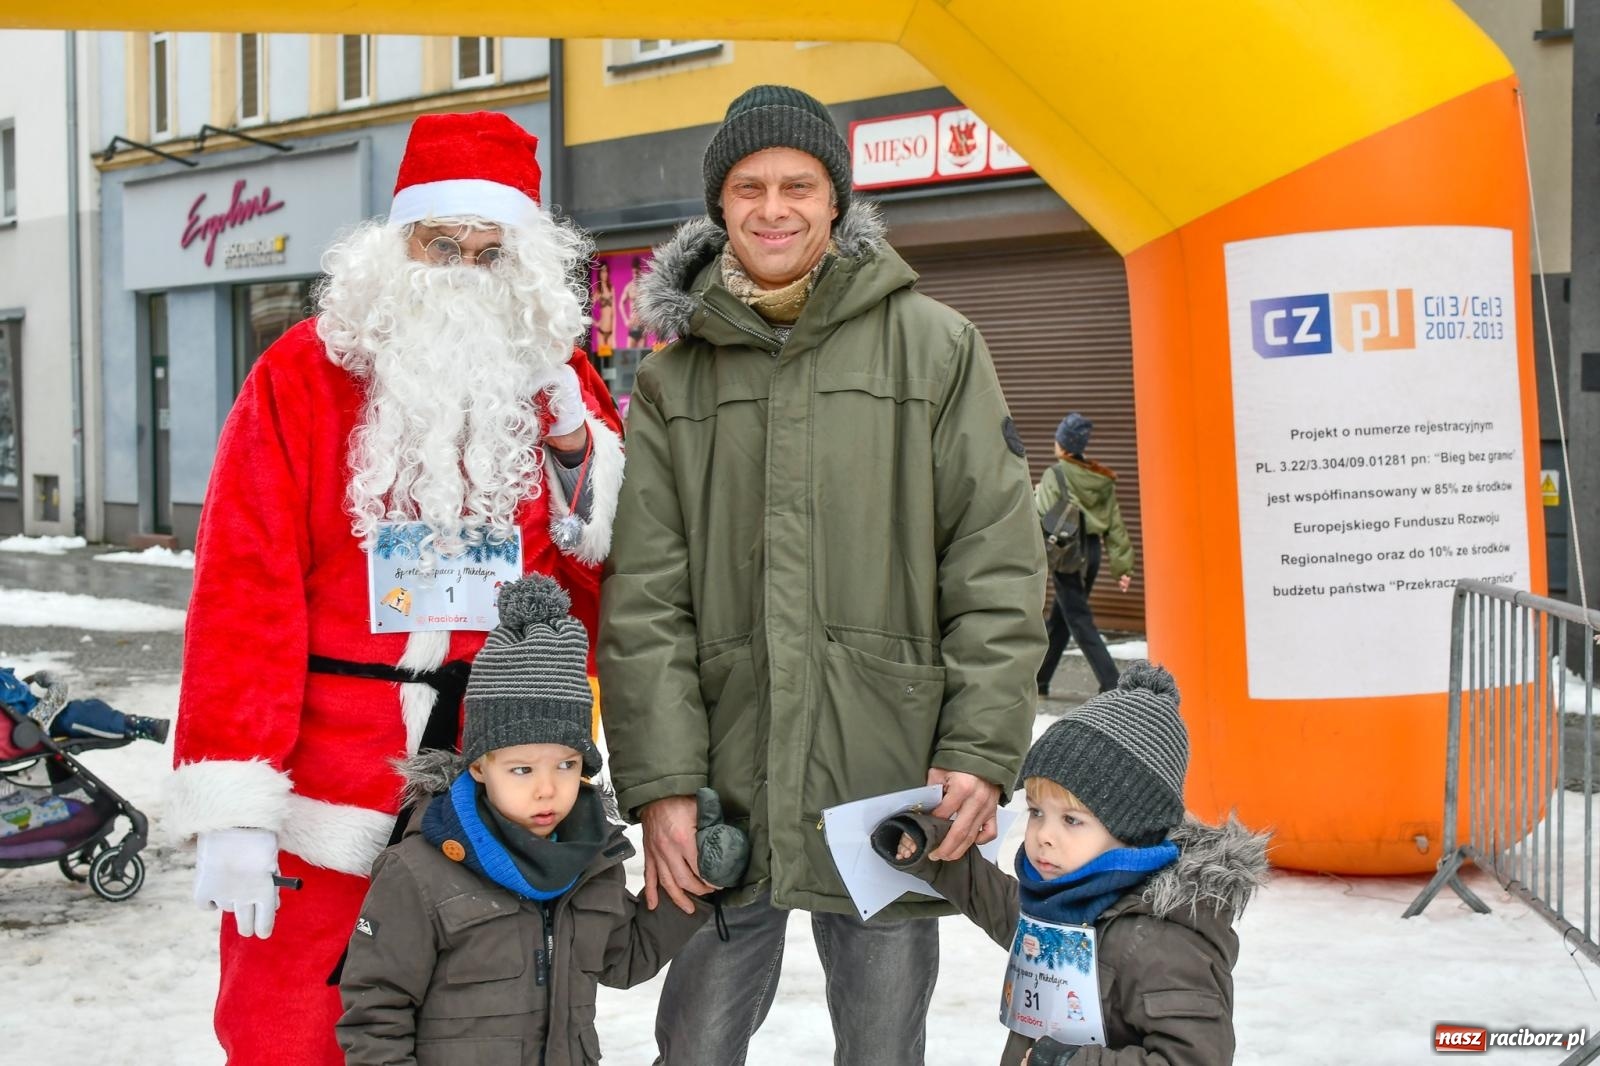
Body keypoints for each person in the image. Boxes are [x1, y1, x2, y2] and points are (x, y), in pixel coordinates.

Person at [600, 84, 1048, 1065]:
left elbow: (995, 563)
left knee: (885, 1045)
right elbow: (644, 603)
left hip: (887, 784)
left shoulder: (935, 347)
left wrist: (978, 746)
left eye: (798, 185)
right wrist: (666, 784)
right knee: (696, 1043)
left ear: (835, 200)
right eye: (748, 186)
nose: (773, 207)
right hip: (730, 787)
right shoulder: (674, 380)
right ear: (718, 205)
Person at [165, 111, 625, 1066]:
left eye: (488, 252)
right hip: (326, 785)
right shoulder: (301, 374)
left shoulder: (561, 386)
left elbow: (607, 584)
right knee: (292, 1028)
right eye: (440, 243)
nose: (462, 269)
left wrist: (578, 451)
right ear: (396, 243)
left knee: (483, 1032)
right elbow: (242, 590)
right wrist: (238, 804)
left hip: (497, 784)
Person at [337, 575, 748, 1066]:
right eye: (522, 769)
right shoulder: (419, 873)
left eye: (567, 765)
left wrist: (699, 883)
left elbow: (624, 957)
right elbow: (376, 1013)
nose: (547, 788)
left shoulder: (591, 861)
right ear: (478, 766)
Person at [874, 662, 1268, 1065]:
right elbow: (987, 895)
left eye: (1072, 820)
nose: (1044, 834)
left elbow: (1193, 1059)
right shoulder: (1060, 904)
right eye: (1037, 812)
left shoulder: (1165, 943)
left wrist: (1065, 1062)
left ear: (1132, 830)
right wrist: (926, 841)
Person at [1034, 412, 1135, 697]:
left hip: (1067, 553)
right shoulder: (1099, 478)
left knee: (1078, 619)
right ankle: (1040, 680)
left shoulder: (1055, 474)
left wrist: (1037, 493)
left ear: (1063, 444)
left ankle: (1112, 681)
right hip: (1091, 553)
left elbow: (1044, 513)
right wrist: (1123, 567)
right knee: (1062, 617)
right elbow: (1115, 525)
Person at [0, 666, 168, 758]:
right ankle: (135, 726)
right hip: (27, 730)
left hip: (26, 718)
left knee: (90, 708)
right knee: (76, 715)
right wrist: (43, 712)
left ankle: (131, 723)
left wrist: (27, 684)